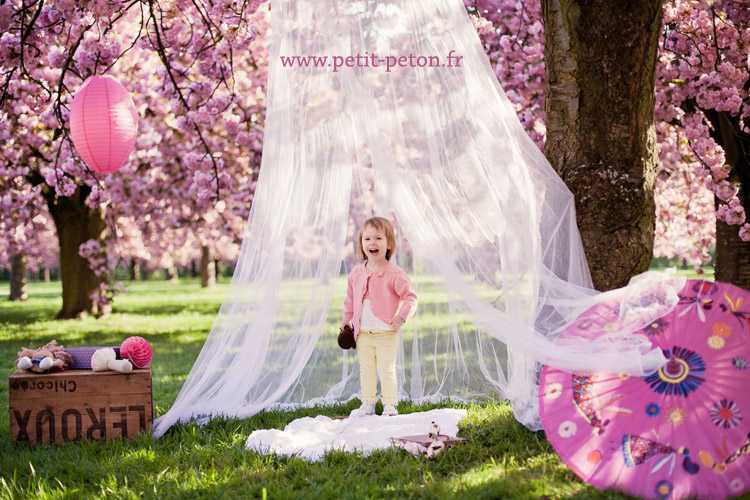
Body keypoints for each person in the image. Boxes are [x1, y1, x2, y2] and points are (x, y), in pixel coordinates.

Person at [342, 216, 418, 417]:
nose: (372, 243)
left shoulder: (395, 273)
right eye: (367, 239)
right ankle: (367, 402)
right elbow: (349, 300)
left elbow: (411, 297)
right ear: (361, 244)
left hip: (386, 332)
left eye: (378, 238)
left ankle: (390, 405)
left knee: (386, 368)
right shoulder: (356, 274)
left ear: (388, 244)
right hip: (363, 333)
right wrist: (346, 321)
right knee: (366, 369)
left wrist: (401, 317)